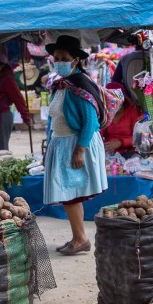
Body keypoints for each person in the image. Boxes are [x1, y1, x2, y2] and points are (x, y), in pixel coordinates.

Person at [44, 35, 109, 255]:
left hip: (75, 144)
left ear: (75, 60)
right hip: (61, 143)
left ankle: (80, 239)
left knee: (71, 193)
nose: (59, 61)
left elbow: (90, 121)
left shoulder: (80, 84)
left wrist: (80, 149)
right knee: (69, 193)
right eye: (57, 57)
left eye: (64, 58)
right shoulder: (60, 84)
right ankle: (78, 237)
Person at [0, 49, 31, 154]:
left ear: (1, 66)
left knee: (0, 150)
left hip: (2, 117)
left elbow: (19, 100)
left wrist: (26, 118)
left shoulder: (8, 79)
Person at [102, 85, 143, 156]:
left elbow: (139, 138)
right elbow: (99, 133)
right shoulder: (105, 113)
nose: (113, 105)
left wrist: (121, 142)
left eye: (115, 101)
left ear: (122, 100)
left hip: (129, 153)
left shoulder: (132, 111)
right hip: (109, 154)